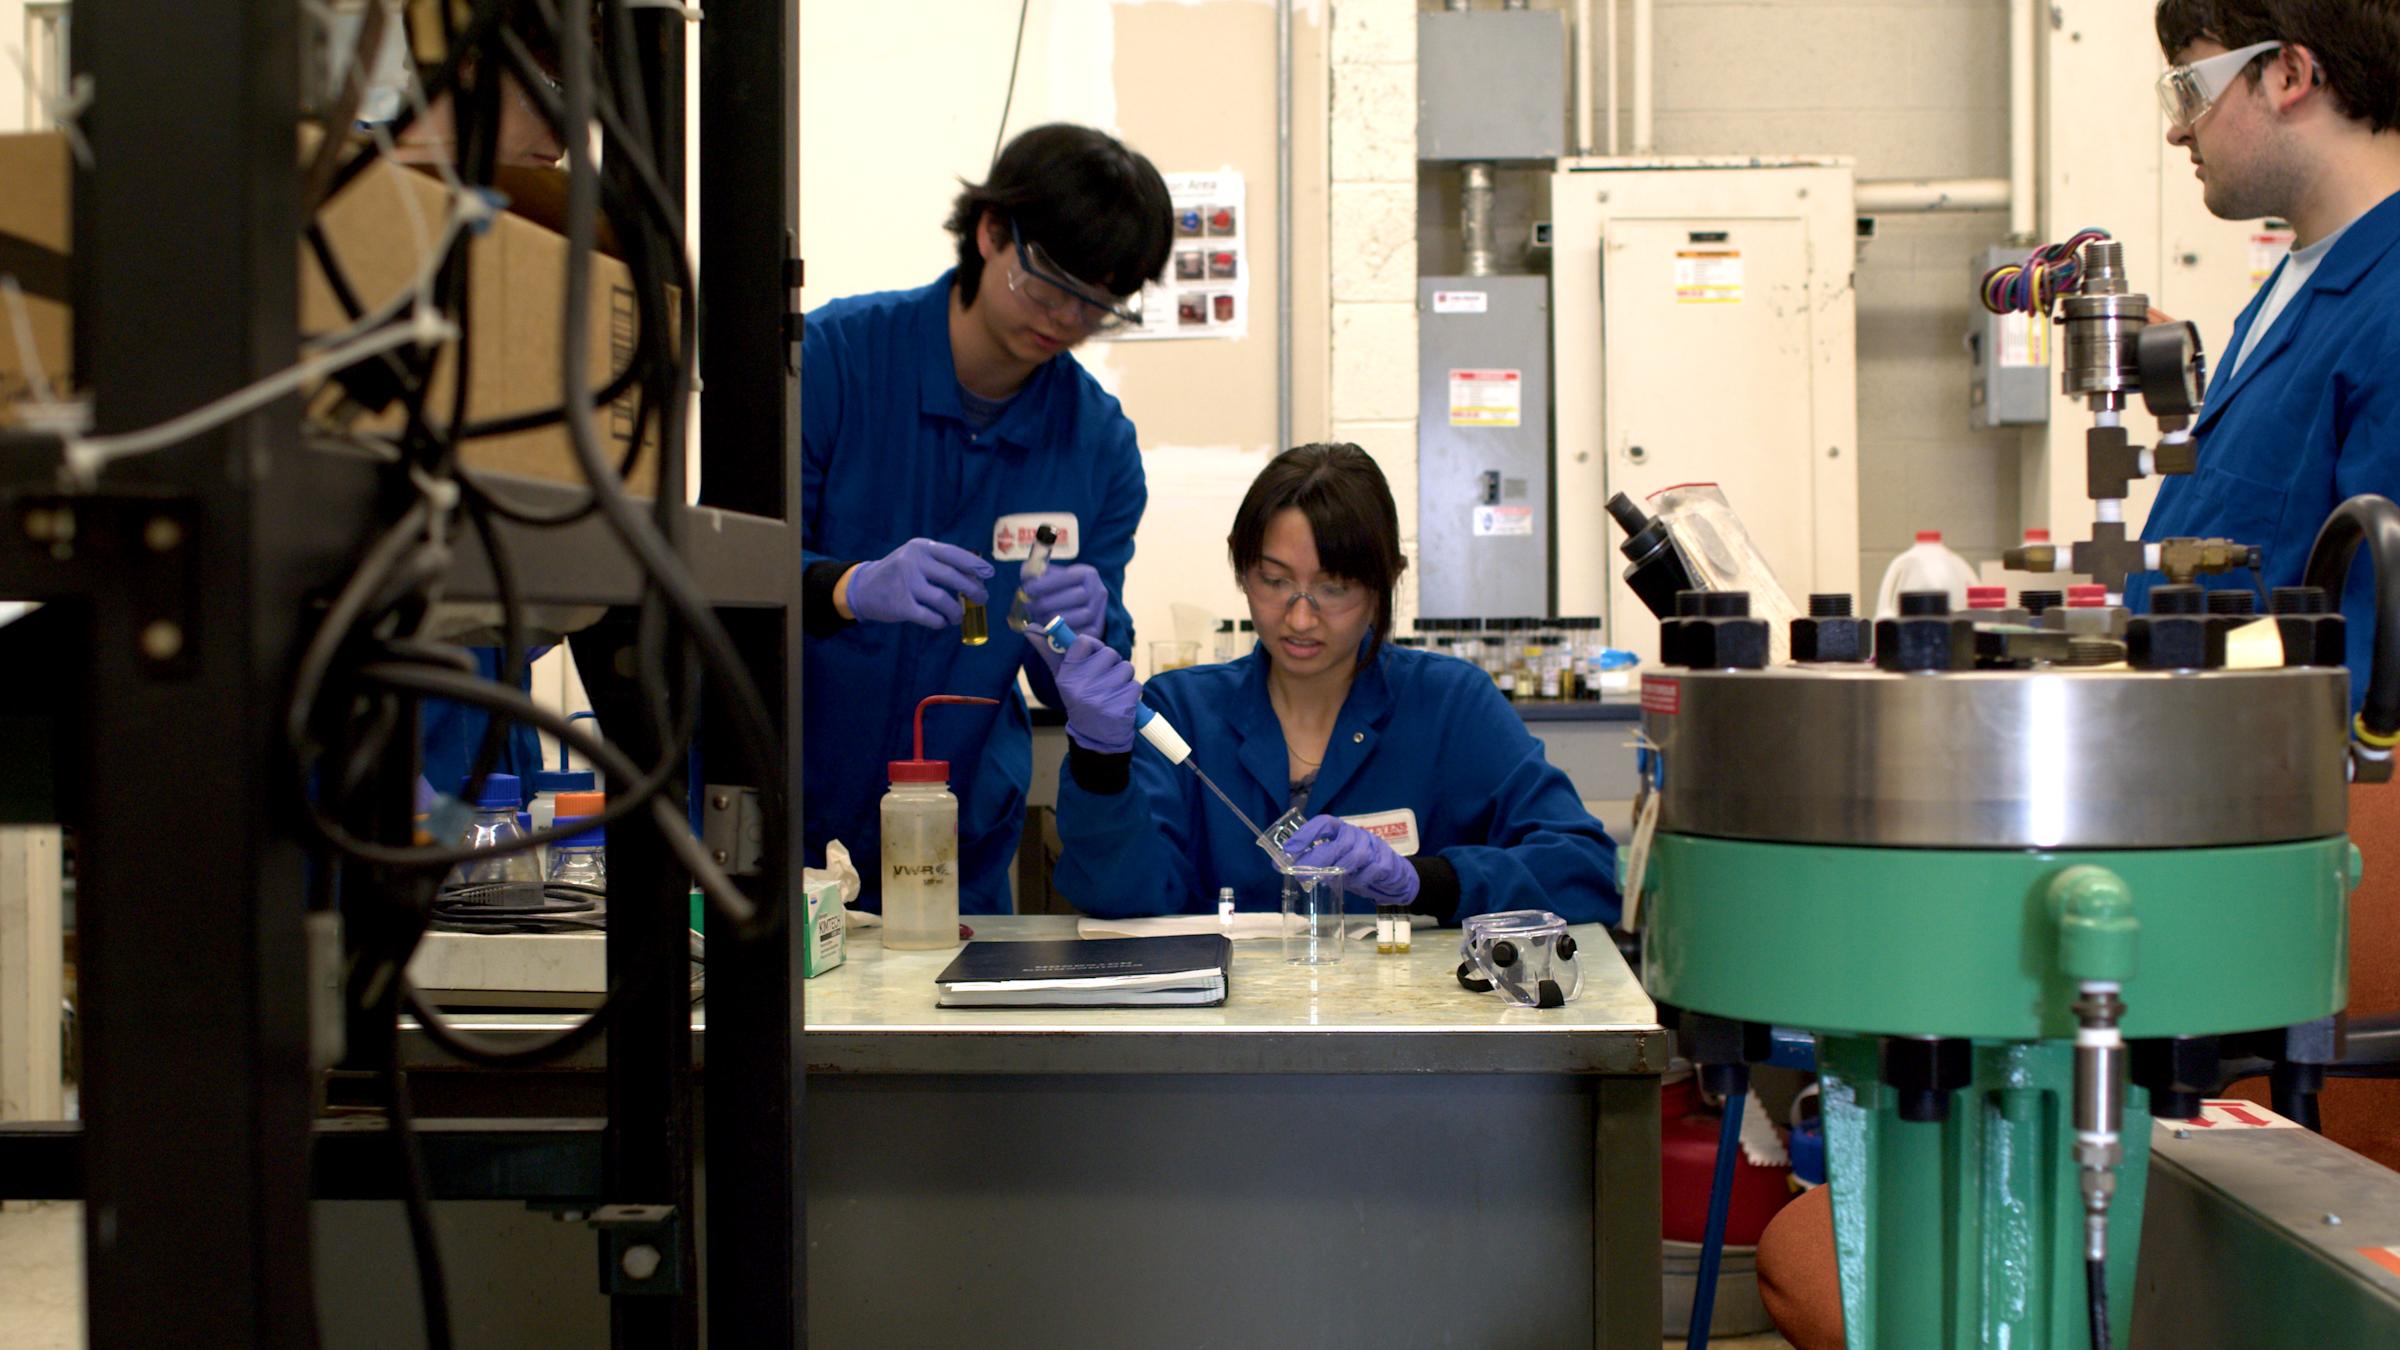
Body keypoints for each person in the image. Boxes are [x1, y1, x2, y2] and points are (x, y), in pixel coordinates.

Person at [801, 124, 1173, 914]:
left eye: (1099, 303)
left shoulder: (1097, 444)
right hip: (783, 803)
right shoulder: (835, 361)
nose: (1068, 318)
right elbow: (724, 568)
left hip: (954, 838)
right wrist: (849, 586)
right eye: (1048, 284)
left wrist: (1083, 642)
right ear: (992, 231)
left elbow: (1071, 683)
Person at [1038, 443, 1620, 925]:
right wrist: (1099, 763)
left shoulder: (1448, 704)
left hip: (1410, 1038)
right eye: (1273, 581)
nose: (1298, 618)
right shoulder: (1180, 712)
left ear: (1386, 581)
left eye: (1334, 587)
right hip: (1220, 1039)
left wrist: (1425, 881)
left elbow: (1585, 874)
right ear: (1241, 570)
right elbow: (1117, 900)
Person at [2128, 0, 2400, 712]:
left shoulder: (2390, 309)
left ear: (2289, 73)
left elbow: (2381, 672)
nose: (2178, 127)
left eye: (2190, 87)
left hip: (2284, 796)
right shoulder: (2296, 287)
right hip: (2200, 767)